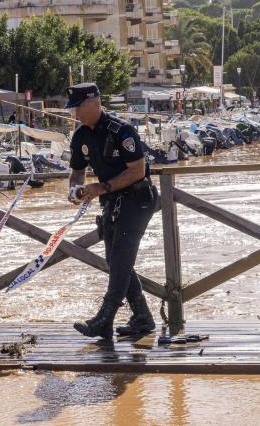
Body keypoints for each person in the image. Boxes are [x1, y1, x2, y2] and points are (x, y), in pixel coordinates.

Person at [66, 83, 158, 340]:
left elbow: (137, 171)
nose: (75, 113)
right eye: (73, 108)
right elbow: (76, 172)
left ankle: (104, 320)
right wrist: (75, 190)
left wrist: (101, 187)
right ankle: (142, 316)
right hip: (110, 202)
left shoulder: (121, 130)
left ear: (95, 103)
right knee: (115, 260)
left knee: (119, 258)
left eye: (78, 107)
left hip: (137, 200)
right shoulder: (80, 135)